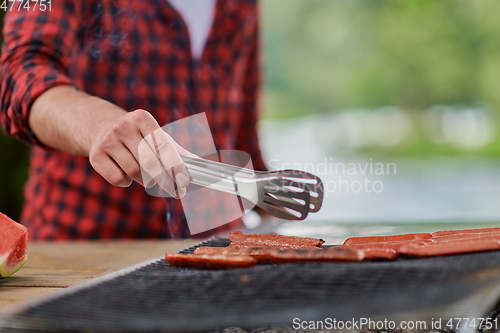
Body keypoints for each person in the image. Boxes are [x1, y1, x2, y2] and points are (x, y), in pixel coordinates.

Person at [0, 0, 267, 240]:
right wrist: (98, 126)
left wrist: (271, 199)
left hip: (215, 241)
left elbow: (241, 130)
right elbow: (19, 72)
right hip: (87, 244)